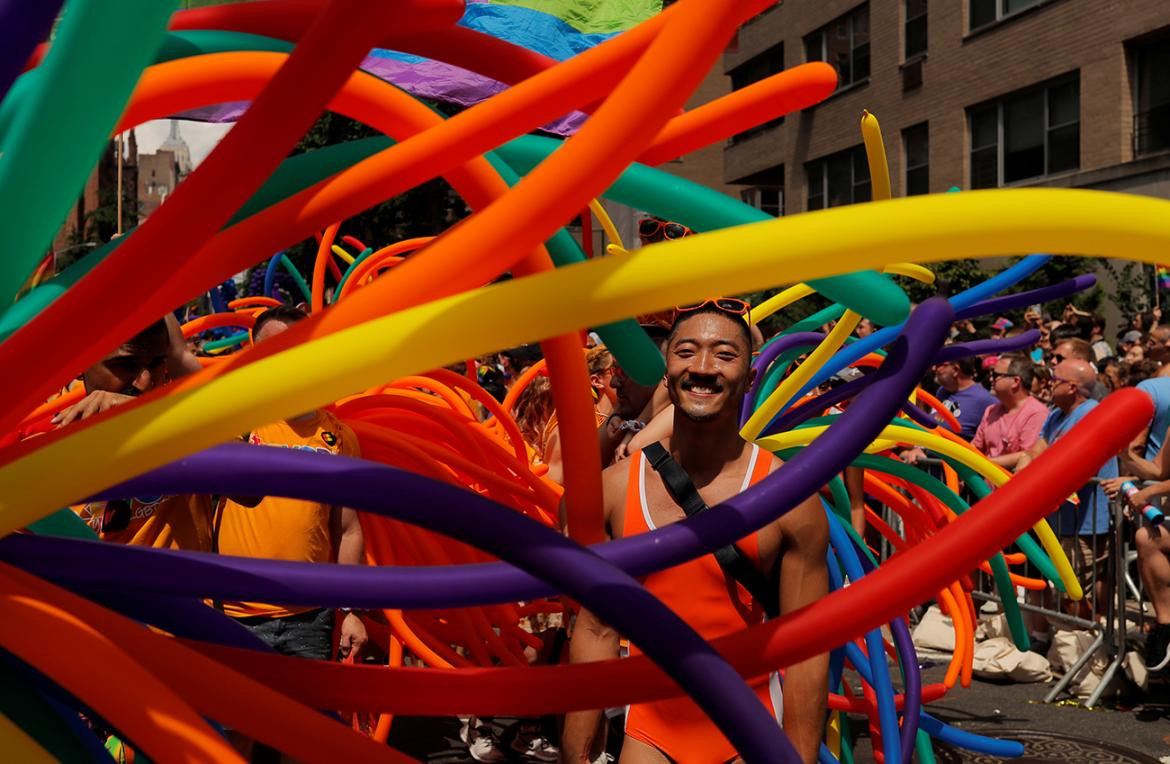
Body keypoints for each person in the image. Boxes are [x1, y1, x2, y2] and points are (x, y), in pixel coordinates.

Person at [562, 299, 829, 764]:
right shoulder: (614, 490)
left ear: (749, 377)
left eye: (724, 355)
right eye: (686, 351)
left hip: (749, 732)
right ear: (666, 372)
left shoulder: (789, 498)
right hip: (649, 733)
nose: (703, 367)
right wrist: (576, 752)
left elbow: (805, 651)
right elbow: (595, 627)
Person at [216, 305, 368, 665]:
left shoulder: (339, 436)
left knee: (307, 719)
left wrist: (353, 611)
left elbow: (348, 530)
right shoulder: (233, 420)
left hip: (310, 618)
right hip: (235, 614)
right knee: (239, 720)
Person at [66, 318, 214, 551]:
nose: (145, 382)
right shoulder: (41, 457)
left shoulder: (185, 429)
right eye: (126, 364)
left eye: (156, 364)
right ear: (77, 365)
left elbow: (251, 489)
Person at [1017, 359, 1118, 616]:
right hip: (1060, 519)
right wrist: (1027, 459)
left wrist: (1036, 461)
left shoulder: (1093, 414)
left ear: (1072, 388)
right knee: (1065, 588)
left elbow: (1071, 463)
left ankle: (1084, 641)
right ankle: (1072, 639)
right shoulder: (1055, 415)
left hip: (1086, 522)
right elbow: (1035, 450)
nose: (1048, 384)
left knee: (1074, 590)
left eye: (1055, 380)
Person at [970, 353, 1048, 470]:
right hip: (985, 487)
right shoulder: (991, 410)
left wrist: (982, 463)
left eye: (996, 375)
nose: (991, 378)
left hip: (1014, 485)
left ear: (1016, 381)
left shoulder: (1037, 413)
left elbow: (1028, 455)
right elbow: (975, 447)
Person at [932, 357, 996, 441]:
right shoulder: (942, 391)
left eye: (939, 365)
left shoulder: (984, 400)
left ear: (955, 370)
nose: (933, 368)